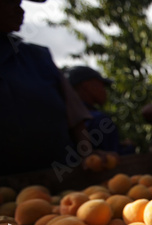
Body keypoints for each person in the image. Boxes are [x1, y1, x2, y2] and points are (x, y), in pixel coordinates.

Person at [0, 0, 93, 176]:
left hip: (60, 176)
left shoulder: (37, 57)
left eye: (20, 3)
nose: (20, 11)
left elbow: (75, 118)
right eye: (11, 3)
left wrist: (87, 155)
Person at [65, 65, 134, 155]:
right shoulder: (100, 120)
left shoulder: (66, 119)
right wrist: (130, 148)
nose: (104, 91)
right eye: (102, 85)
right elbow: (113, 160)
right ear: (87, 86)